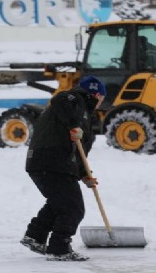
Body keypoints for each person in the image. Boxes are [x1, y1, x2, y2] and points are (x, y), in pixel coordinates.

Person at [20, 76, 106, 262]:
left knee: (59, 203)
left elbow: (81, 151)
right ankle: (59, 248)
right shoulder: (74, 99)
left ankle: (35, 237)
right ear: (97, 95)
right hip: (51, 161)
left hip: (52, 163)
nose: (101, 102)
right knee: (73, 208)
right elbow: (59, 99)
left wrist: (84, 175)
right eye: (102, 98)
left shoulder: (86, 118)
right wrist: (73, 125)